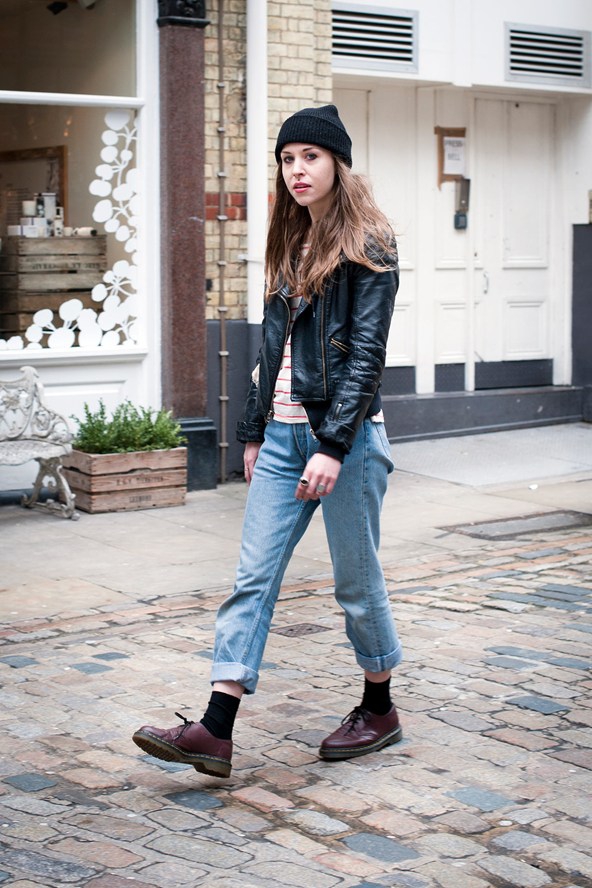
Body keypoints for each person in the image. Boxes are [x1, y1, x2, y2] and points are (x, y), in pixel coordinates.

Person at [133, 104, 403, 779]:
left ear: (338, 163)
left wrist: (333, 446)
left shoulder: (371, 244)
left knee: (357, 585)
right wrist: (255, 430)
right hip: (283, 440)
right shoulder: (290, 244)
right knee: (251, 578)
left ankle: (380, 706)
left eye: (310, 157)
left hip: (346, 440)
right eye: (288, 159)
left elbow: (366, 358)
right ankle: (215, 728)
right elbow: (271, 349)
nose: (297, 171)